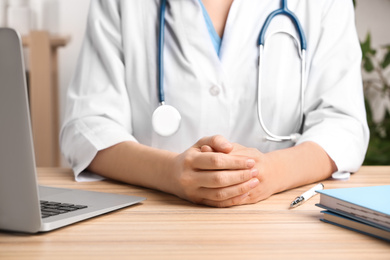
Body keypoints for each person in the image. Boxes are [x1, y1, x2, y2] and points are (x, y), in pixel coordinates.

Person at [60, 0, 369, 208]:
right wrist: (168, 173)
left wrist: (273, 172)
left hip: (280, 219)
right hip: (155, 219)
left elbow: (343, 123)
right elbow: (87, 125)